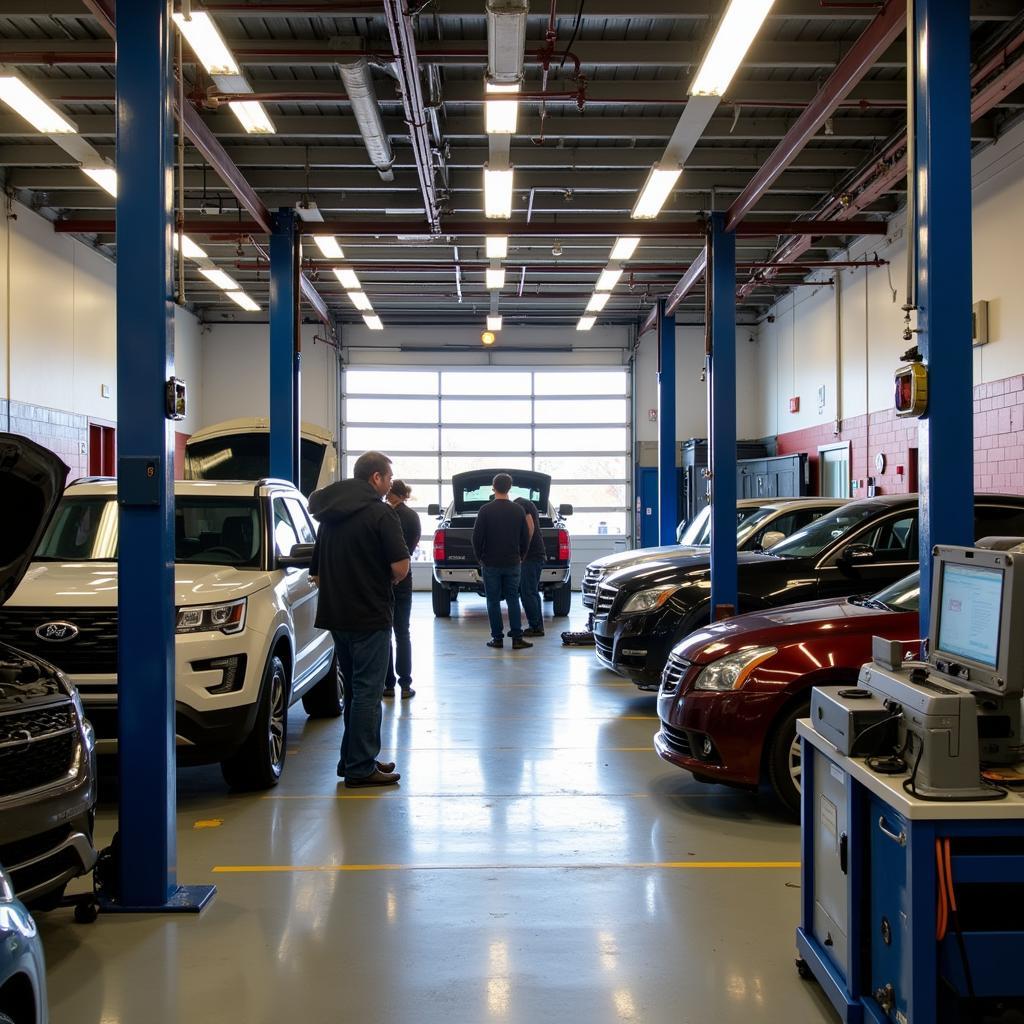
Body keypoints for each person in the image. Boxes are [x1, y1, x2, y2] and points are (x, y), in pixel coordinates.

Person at [309, 451, 410, 788]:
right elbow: (400, 567)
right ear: (375, 478)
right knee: (369, 692)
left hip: (337, 616)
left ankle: (353, 760)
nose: (391, 483)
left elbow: (318, 575)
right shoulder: (381, 514)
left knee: (354, 691)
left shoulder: (329, 516)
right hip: (369, 615)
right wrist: (383, 578)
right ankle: (360, 767)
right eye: (388, 478)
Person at [472, 473, 532, 650]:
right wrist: (521, 555)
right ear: (510, 488)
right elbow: (525, 537)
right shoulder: (518, 510)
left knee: (492, 601)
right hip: (513, 562)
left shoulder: (485, 510)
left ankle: (497, 638)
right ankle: (517, 638)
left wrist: (480, 558)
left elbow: (476, 538)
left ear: (493, 487)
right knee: (513, 599)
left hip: (490, 563)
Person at [383, 479, 421, 698]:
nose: (387, 496)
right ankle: (405, 684)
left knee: (385, 632)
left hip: (384, 579)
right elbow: (412, 545)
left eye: (389, 493)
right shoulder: (413, 517)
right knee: (402, 632)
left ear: (394, 494)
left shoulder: (386, 515)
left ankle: (388, 685)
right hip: (404, 577)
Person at [514, 493, 545, 637]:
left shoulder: (521, 505)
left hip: (530, 556)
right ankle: (537, 625)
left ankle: (536, 627)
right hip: (536, 555)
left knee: (527, 593)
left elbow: (530, 526)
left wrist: (523, 550)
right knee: (531, 592)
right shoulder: (527, 503)